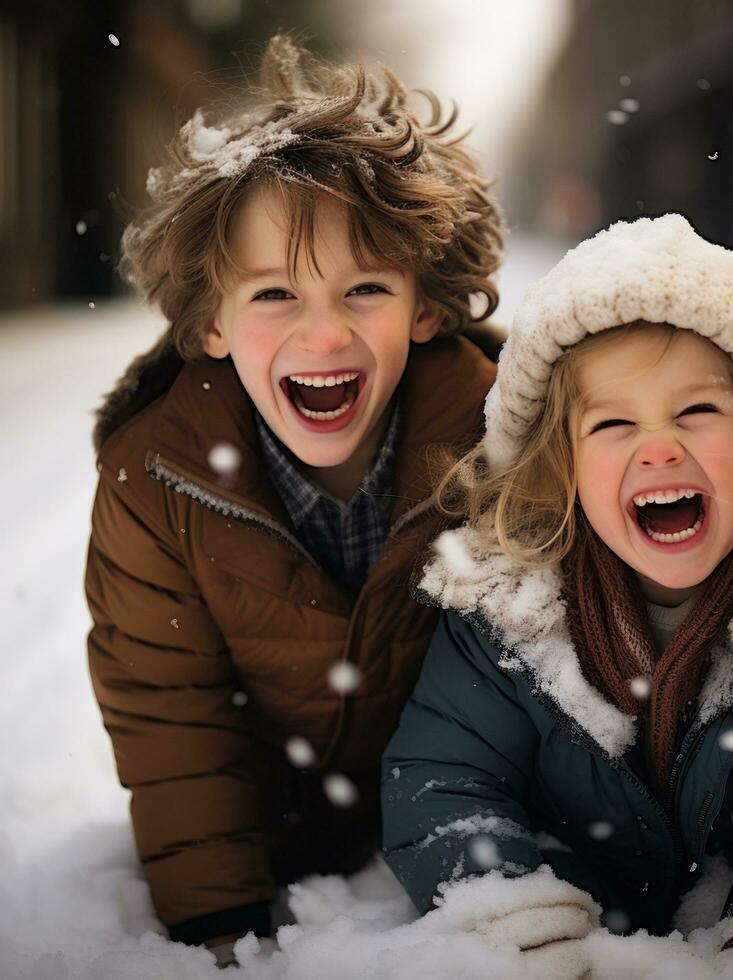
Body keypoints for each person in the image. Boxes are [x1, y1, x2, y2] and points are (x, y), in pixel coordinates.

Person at [382, 215, 733, 973]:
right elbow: (440, 781)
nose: (660, 447)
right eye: (614, 423)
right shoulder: (503, 615)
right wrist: (521, 912)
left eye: (697, 411)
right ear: (562, 467)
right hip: (583, 925)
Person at [85, 34, 503, 963]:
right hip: (275, 802)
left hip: (471, 798)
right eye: (274, 293)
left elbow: (556, 671)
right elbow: (168, 706)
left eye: (365, 288)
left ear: (426, 307)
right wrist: (215, 915)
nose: (324, 335)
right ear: (211, 325)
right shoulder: (158, 481)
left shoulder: (503, 446)